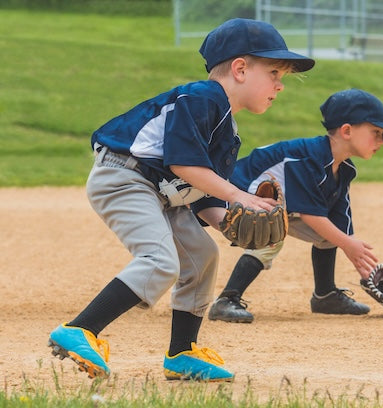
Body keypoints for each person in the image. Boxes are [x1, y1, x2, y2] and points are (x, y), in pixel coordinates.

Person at [47, 18, 315, 381]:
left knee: (203, 255)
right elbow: (182, 163)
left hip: (164, 193)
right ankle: (81, 329)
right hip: (125, 177)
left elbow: (199, 190)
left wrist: (227, 222)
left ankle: (182, 352)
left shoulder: (226, 129)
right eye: (274, 72)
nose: (280, 85)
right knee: (160, 261)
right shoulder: (202, 98)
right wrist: (238, 195)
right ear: (240, 69)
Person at [194, 89, 383, 323]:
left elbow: (339, 222)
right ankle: (227, 299)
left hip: (272, 205)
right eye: (376, 132)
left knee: (329, 234)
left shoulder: (344, 169)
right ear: (346, 131)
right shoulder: (307, 159)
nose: (381, 140)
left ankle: (325, 295)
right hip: (228, 198)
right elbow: (310, 214)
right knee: (271, 230)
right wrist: (348, 244)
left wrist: (361, 263)